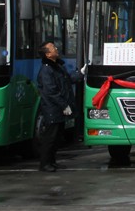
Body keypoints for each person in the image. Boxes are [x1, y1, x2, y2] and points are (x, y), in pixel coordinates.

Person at [36, 41, 82, 172]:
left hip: (59, 108)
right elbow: (51, 91)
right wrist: (64, 105)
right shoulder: (46, 70)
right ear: (47, 54)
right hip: (52, 108)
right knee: (50, 137)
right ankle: (45, 163)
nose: (56, 49)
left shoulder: (57, 66)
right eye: (53, 48)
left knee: (57, 137)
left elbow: (67, 80)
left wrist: (80, 74)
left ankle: (52, 161)